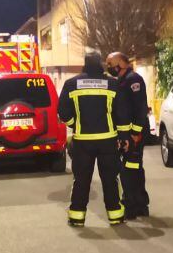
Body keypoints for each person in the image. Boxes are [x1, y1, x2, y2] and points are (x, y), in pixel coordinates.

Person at [57, 51, 131, 227]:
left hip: (82, 142)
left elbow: (62, 112)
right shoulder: (112, 84)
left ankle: (77, 217)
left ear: (85, 64)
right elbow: (121, 113)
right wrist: (124, 137)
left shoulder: (71, 84)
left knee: (81, 180)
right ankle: (115, 216)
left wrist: (75, 124)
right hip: (108, 141)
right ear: (101, 65)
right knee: (110, 180)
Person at [107, 52, 150, 219]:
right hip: (128, 135)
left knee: (129, 171)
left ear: (120, 63)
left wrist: (135, 133)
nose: (109, 68)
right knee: (134, 170)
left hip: (134, 135)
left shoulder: (134, 80)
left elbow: (140, 108)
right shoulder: (123, 81)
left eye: (110, 64)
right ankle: (140, 205)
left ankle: (131, 206)